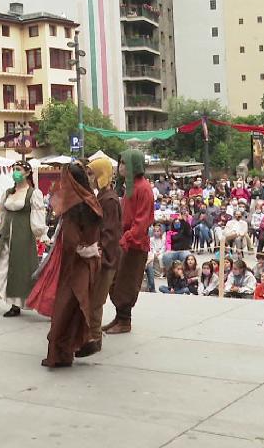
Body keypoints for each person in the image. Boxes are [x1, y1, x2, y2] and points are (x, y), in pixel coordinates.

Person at [40, 162, 102, 368]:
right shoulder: (91, 199)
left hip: (75, 263)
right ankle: (79, 344)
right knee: (77, 306)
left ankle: (60, 354)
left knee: (64, 308)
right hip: (90, 261)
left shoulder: (75, 205)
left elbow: (71, 242)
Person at [0, 160, 46, 316]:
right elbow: (1, 214)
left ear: (27, 173)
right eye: (13, 169)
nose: (15, 172)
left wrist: (40, 233)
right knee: (4, 266)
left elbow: (37, 215)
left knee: (21, 269)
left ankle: (24, 302)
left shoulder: (33, 193)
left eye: (18, 169)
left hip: (23, 236)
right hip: (7, 236)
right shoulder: (8, 192)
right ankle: (13, 303)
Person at [103, 149, 154, 335]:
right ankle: (119, 317)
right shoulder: (131, 186)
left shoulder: (143, 188)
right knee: (117, 281)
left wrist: (124, 240)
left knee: (127, 283)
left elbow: (141, 222)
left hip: (134, 245)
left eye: (124, 163)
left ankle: (125, 321)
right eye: (120, 163)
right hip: (125, 241)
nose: (121, 167)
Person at [77, 156, 122, 358]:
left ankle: (94, 339)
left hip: (107, 258)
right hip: (104, 256)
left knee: (96, 300)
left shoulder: (109, 199)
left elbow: (110, 233)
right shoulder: (104, 196)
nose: (90, 177)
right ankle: (93, 338)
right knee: (94, 298)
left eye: (92, 173)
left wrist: (100, 252)